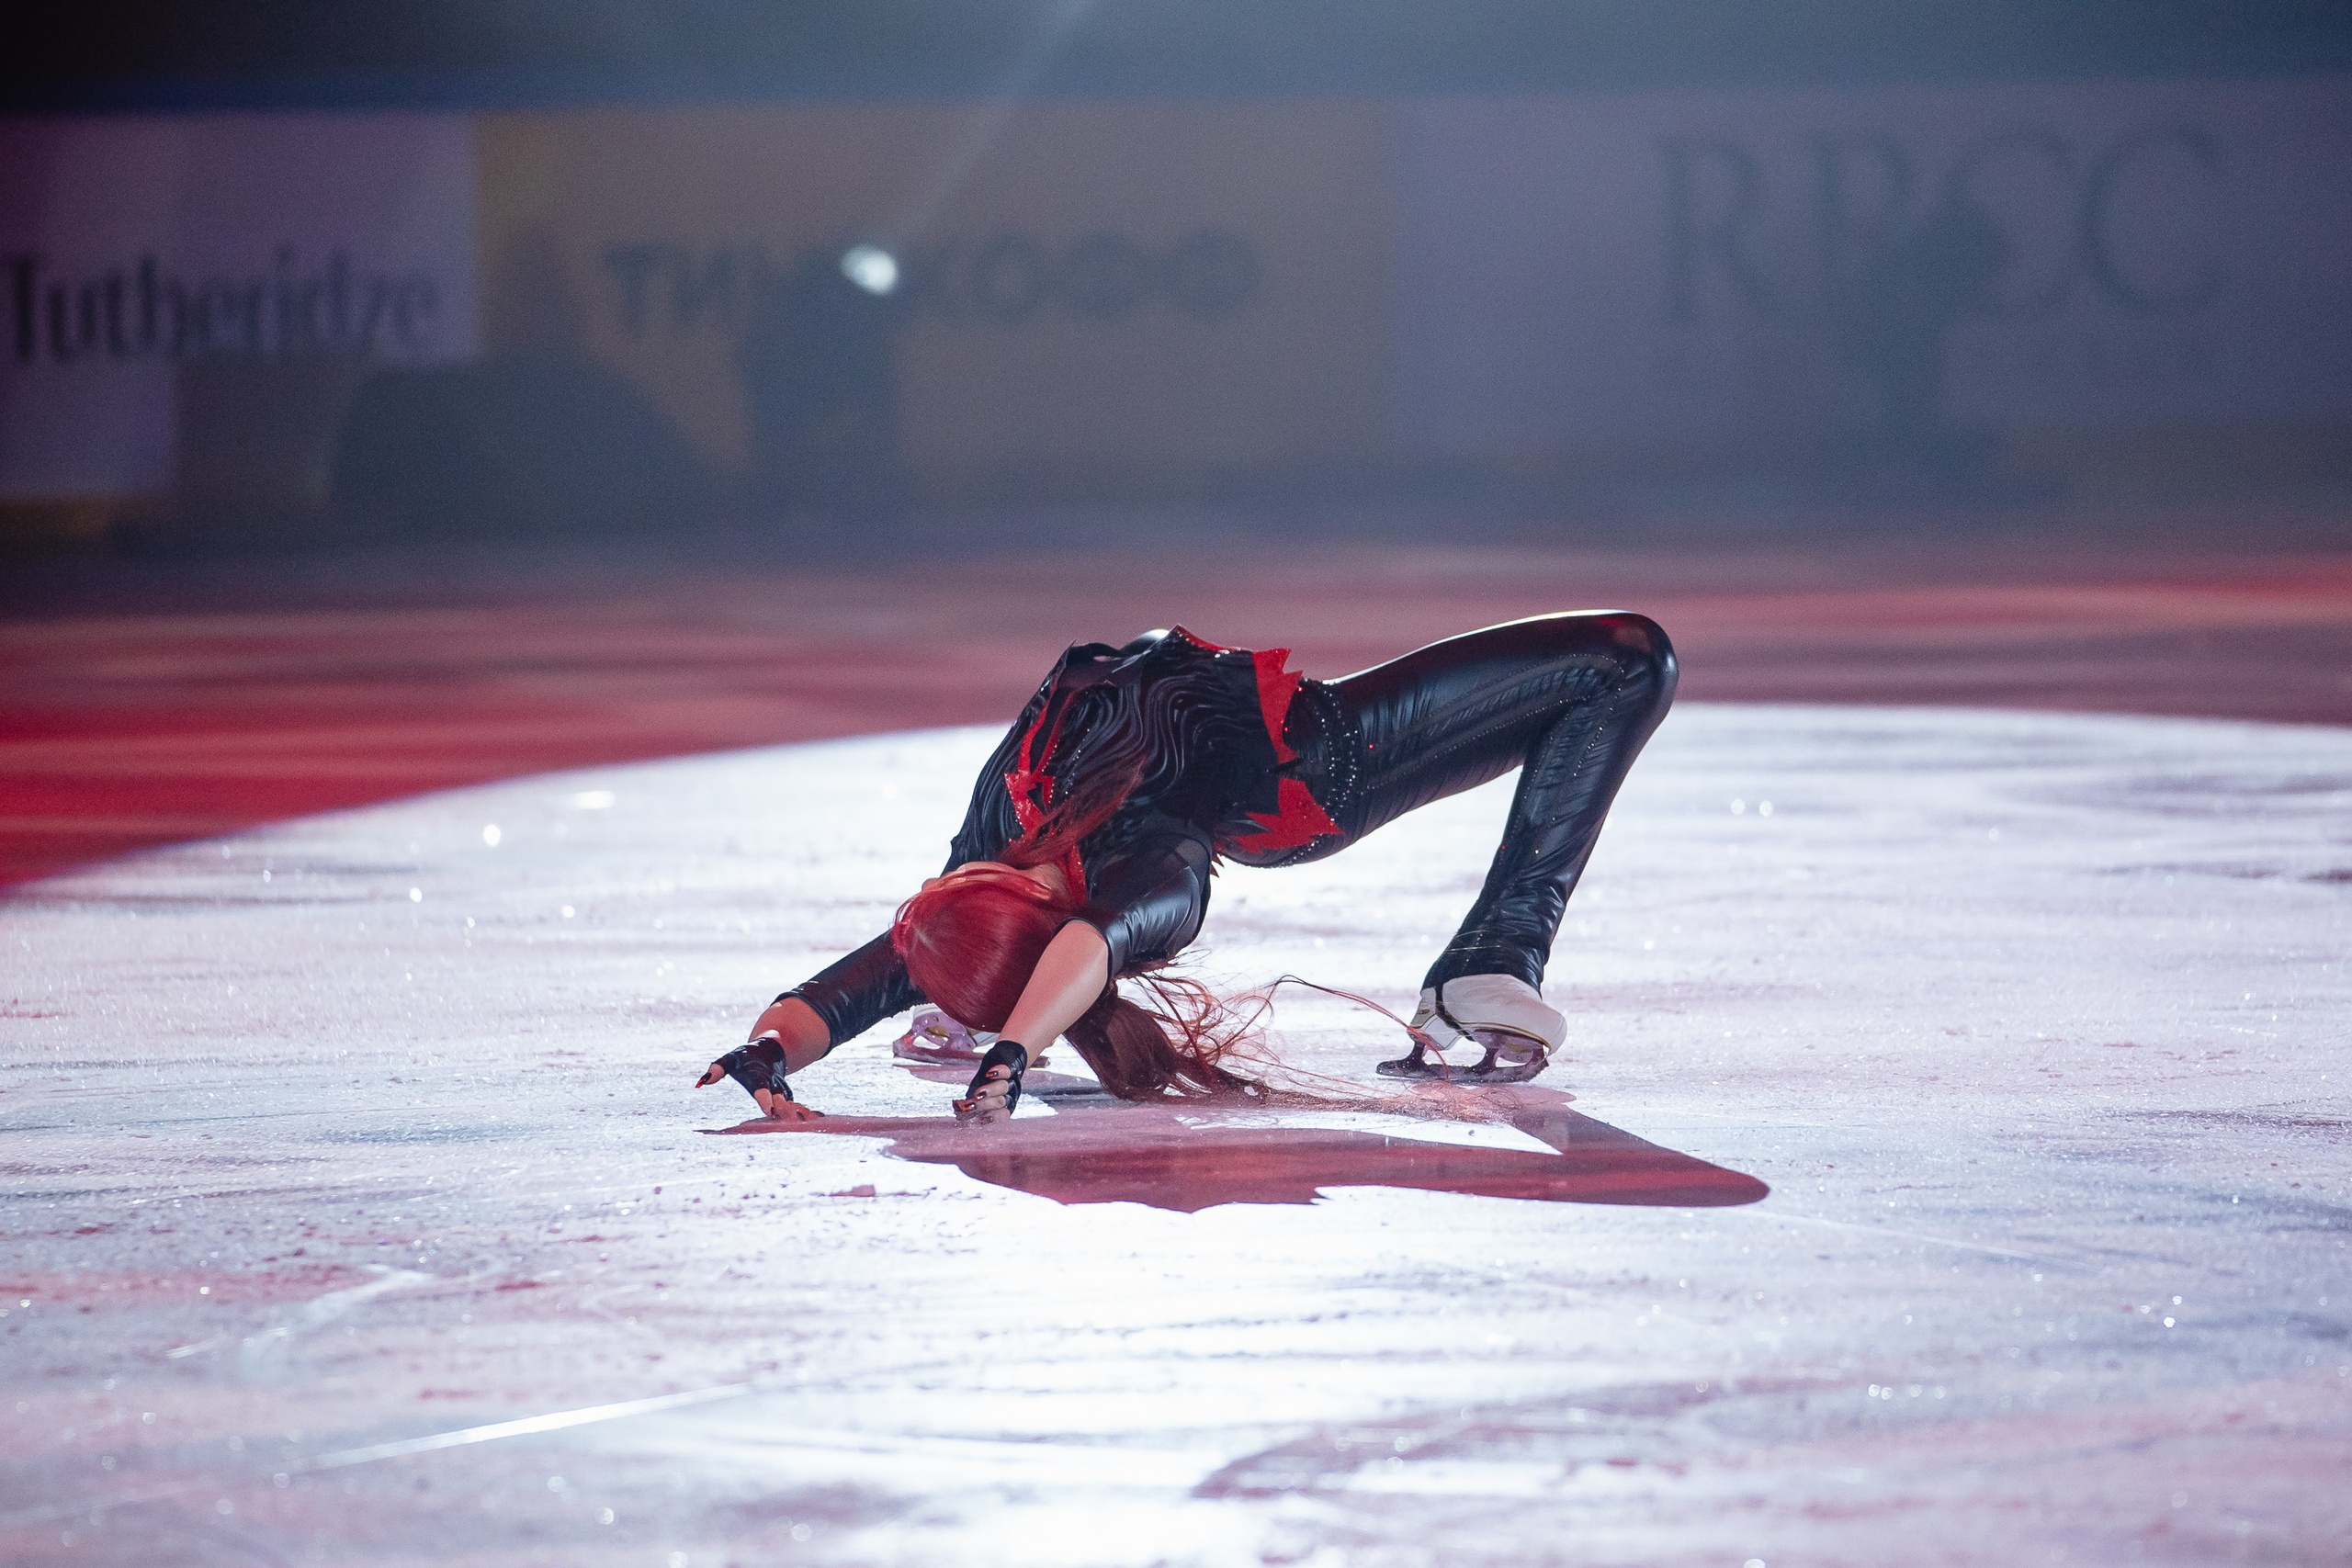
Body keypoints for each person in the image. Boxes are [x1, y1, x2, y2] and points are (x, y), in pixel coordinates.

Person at [695, 613, 1677, 1122]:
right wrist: (1011, 1052)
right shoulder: (1151, 874)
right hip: (1324, 765)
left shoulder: (985, 854)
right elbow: (1091, 941)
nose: (934, 892)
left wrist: (766, 1053)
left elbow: (840, 991)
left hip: (1028, 962)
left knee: (1617, 666)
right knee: (1628, 659)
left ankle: (969, 1011)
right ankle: (1493, 960)